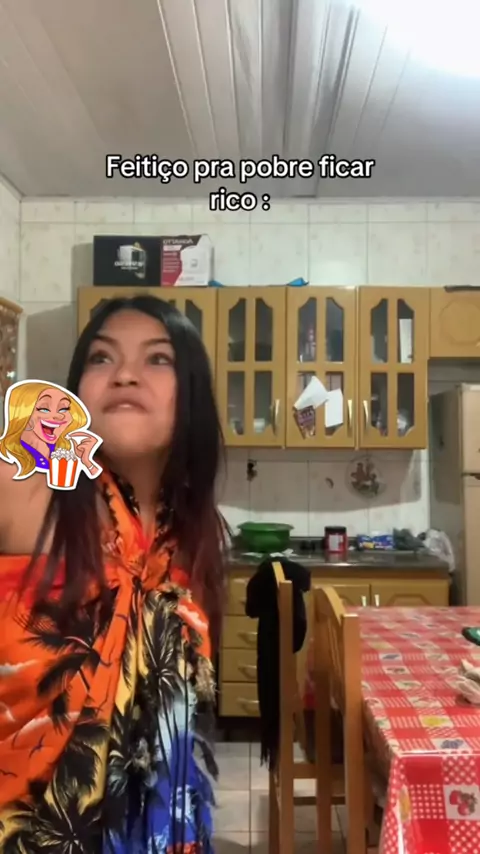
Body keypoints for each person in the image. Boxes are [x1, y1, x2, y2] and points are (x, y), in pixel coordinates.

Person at [0, 295, 227, 853]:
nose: (125, 374)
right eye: (101, 358)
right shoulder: (30, 487)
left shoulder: (189, 536)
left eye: (158, 358)